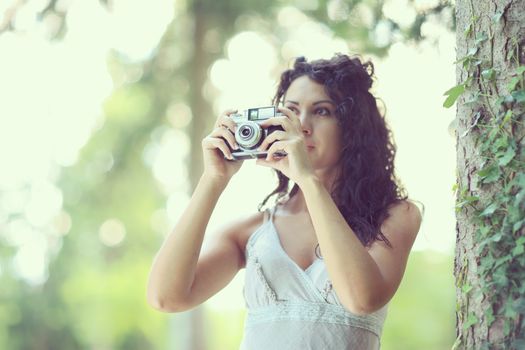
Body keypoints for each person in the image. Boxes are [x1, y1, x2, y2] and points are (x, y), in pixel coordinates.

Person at [146, 53, 424, 349]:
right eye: (291, 111)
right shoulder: (252, 231)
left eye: (322, 111)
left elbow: (361, 298)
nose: (302, 126)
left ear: (353, 127)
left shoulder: (396, 216)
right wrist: (212, 180)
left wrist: (308, 180)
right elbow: (165, 297)